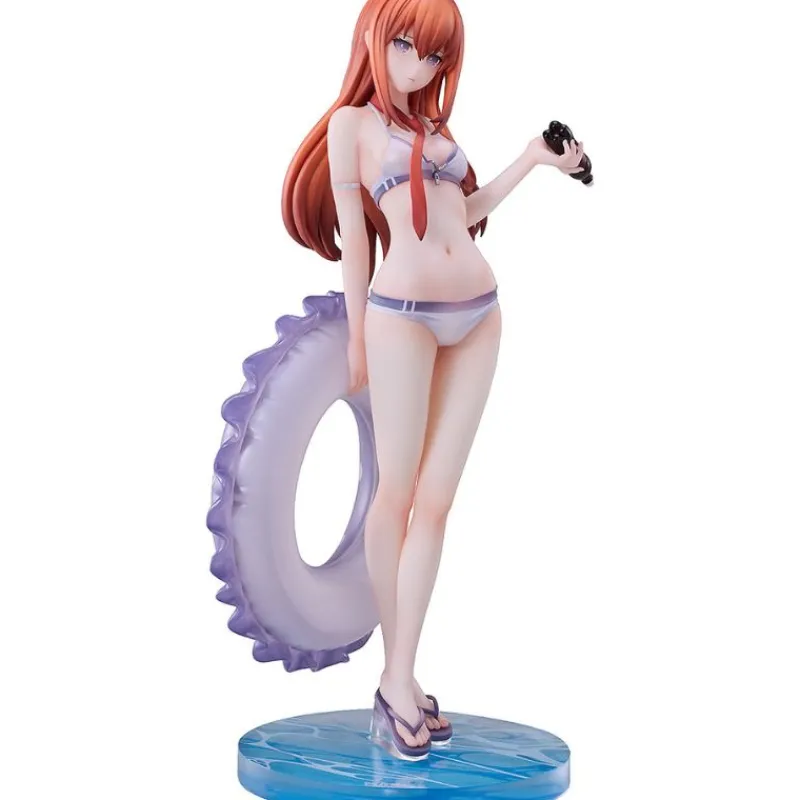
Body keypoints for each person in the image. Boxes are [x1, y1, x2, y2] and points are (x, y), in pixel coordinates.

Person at [282, 0, 584, 758]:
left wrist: (532, 160)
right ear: (373, 37)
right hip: (402, 316)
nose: (419, 65)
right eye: (406, 44)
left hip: (479, 314)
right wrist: (357, 336)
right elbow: (359, 241)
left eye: (436, 55)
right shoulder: (352, 127)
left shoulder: (436, 131)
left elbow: (466, 211)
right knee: (396, 493)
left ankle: (400, 679)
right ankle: (398, 681)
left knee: (438, 502)